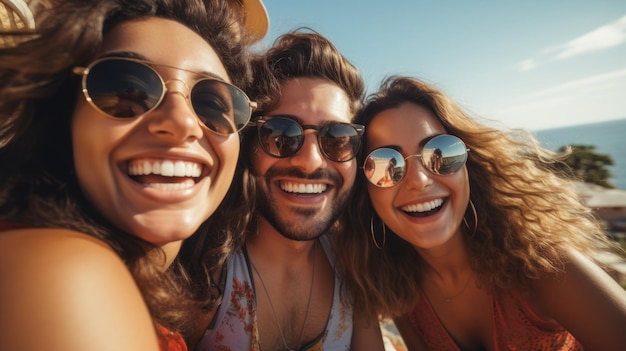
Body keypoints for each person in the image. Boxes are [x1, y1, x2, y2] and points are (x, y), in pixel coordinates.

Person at [0, 1, 257, 350]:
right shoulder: (62, 277)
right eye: (124, 92)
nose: (181, 123)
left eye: (213, 104)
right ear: (64, 116)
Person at [336, 76, 626, 350]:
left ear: (468, 167)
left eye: (440, 152)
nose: (419, 181)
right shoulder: (398, 289)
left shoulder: (546, 268)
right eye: (387, 164)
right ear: (365, 191)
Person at [182, 29, 386, 351]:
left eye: (336, 138)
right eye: (282, 134)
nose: (309, 161)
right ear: (250, 146)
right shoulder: (202, 272)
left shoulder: (353, 266)